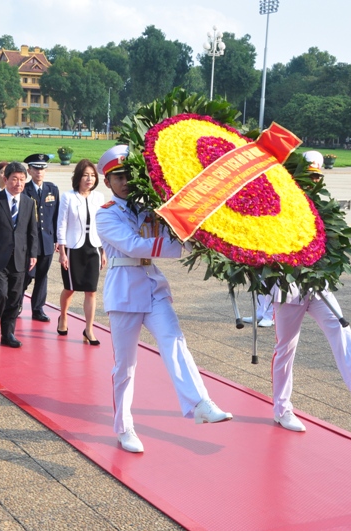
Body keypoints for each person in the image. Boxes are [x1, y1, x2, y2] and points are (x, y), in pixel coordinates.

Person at [95, 145, 232, 453]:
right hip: (124, 293)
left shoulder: (148, 209)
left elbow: (172, 235)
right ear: (107, 182)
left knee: (174, 340)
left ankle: (200, 403)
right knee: (125, 367)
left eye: (130, 175)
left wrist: (197, 235)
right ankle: (124, 427)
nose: (125, 182)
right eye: (118, 177)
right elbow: (133, 245)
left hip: (153, 287)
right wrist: (177, 245)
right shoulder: (105, 215)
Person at [270, 151, 351, 433]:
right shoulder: (278, 204)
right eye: (310, 176)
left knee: (339, 327)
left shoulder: (321, 206)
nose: (314, 181)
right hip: (289, 287)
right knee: (285, 349)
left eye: (317, 176)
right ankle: (282, 409)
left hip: (317, 285)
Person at [0, 162, 38, 348]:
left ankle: (8, 333)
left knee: (14, 297)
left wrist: (33, 254)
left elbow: (32, 232)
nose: (18, 183)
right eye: (14, 179)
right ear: (5, 179)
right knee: (0, 295)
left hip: (20, 258)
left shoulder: (28, 203)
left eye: (22, 180)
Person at [56, 159, 106, 344]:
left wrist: (103, 251)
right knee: (70, 288)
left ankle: (89, 329)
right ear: (78, 177)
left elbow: (101, 226)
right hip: (73, 248)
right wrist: (62, 251)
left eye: (92, 176)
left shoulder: (99, 198)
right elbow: (61, 224)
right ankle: (63, 317)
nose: (89, 179)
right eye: (86, 175)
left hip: (92, 247)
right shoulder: (68, 197)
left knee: (91, 291)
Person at [22, 153, 59, 322]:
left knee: (42, 277)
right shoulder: (24, 190)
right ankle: (15, 303)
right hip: (30, 243)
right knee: (27, 275)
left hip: (47, 241)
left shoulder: (52, 189)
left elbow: (56, 216)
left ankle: (37, 309)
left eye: (43, 168)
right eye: (36, 168)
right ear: (29, 170)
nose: (40, 172)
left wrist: (57, 239)